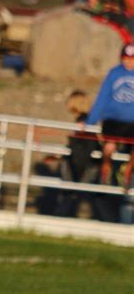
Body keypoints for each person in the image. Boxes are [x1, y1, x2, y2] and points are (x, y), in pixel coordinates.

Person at [84, 42, 134, 188]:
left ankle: (127, 171)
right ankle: (106, 169)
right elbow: (102, 98)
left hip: (132, 121)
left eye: (132, 59)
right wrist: (90, 121)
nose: (128, 62)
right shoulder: (114, 73)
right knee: (109, 147)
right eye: (126, 58)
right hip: (113, 120)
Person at [55, 90, 102, 218]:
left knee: (72, 194)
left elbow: (82, 145)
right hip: (87, 163)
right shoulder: (87, 120)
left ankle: (62, 217)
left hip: (81, 164)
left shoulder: (83, 122)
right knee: (87, 195)